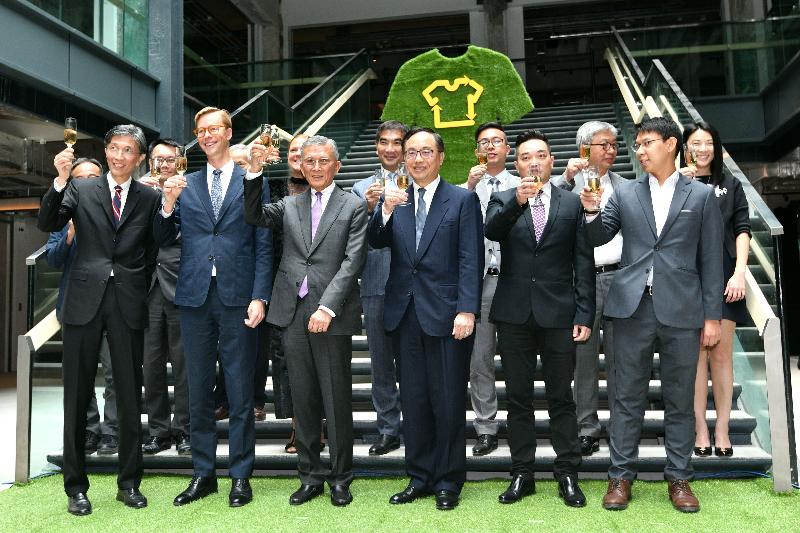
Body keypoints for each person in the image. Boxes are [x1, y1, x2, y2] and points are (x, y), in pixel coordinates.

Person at [579, 116, 723, 513]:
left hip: (682, 309)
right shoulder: (625, 193)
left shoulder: (701, 196)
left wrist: (713, 317)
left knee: (680, 399)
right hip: (629, 308)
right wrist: (590, 212)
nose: (639, 151)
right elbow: (598, 236)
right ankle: (620, 476)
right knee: (625, 397)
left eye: (647, 143)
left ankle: (679, 477)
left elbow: (711, 260)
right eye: (637, 144)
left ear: (672, 144)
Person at [38, 124, 169, 516]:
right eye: (113, 148)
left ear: (140, 158)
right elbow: (48, 223)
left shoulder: (148, 196)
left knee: (129, 396)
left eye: (127, 150)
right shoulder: (81, 188)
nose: (118, 155)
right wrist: (60, 180)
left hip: (127, 302)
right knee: (76, 396)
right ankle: (75, 487)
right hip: (81, 300)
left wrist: (167, 207)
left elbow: (158, 242)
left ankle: (129, 483)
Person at [243, 135, 368, 507]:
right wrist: (253, 172)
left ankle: (341, 478)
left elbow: (352, 261)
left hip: (332, 314)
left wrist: (327, 307)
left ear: (337, 166)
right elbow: (254, 216)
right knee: (303, 400)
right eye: (309, 161)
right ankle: (310, 476)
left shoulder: (354, 206)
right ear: (301, 165)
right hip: (292, 313)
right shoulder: (290, 203)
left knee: (336, 399)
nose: (315, 167)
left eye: (323, 161)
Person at [160, 107, 273, 508]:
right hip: (192, 298)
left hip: (238, 298)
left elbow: (263, 242)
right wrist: (167, 204)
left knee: (241, 391)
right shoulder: (183, 184)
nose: (207, 135)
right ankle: (203, 474)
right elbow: (161, 236)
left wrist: (260, 296)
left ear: (228, 132)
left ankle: (241, 476)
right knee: (197, 393)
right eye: (201, 130)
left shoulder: (252, 179)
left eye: (214, 129)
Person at [368, 127, 483, 511]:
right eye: (411, 152)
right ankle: (419, 476)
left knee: (448, 400)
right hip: (404, 314)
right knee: (414, 401)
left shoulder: (462, 200)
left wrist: (467, 309)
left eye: (425, 152)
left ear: (441, 157)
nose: (417, 159)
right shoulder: (395, 198)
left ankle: (449, 480)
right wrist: (384, 208)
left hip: (449, 316)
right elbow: (376, 241)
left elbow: (471, 258)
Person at [485, 129, 594, 507]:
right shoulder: (501, 199)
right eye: (527, 157)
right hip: (514, 315)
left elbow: (582, 261)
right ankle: (522, 474)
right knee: (518, 399)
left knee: (562, 399)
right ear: (517, 165)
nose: (534, 161)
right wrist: (517, 201)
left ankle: (567, 474)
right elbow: (492, 231)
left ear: (551, 160)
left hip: (560, 313)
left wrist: (585, 312)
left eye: (541, 155)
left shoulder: (571, 203)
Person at [224, 137, 314, 454]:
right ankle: (297, 428)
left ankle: (322, 424)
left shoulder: (332, 191)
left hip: (319, 286)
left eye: (308, 153)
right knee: (284, 359)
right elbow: (255, 220)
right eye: (294, 151)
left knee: (320, 360)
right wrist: (253, 164)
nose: (301, 157)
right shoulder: (272, 188)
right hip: (279, 284)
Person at [552, 120, 624, 457]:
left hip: (620, 278)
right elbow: (543, 202)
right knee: (583, 360)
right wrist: (567, 178)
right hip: (580, 282)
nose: (611, 150)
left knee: (621, 358)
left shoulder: (626, 186)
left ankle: (623, 427)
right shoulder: (567, 186)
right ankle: (587, 427)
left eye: (614, 145)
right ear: (585, 148)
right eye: (604, 145)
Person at [679, 122, 750, 458]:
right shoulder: (677, 182)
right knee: (695, 358)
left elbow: (742, 229)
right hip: (687, 278)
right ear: (684, 147)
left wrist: (739, 273)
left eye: (708, 143)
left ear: (716, 147)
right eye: (695, 143)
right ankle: (700, 427)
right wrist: (679, 184)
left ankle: (722, 427)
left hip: (725, 275)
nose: (702, 149)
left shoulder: (730, 184)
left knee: (721, 356)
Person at [45, 156, 119, 457]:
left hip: (113, 305)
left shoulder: (114, 209)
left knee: (115, 372)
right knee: (80, 376)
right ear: (73, 183)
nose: (88, 181)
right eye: (81, 177)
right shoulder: (63, 215)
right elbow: (52, 258)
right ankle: (87, 431)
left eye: (94, 176)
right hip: (76, 307)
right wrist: (71, 234)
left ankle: (112, 432)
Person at [461, 122, 518, 457]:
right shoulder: (466, 187)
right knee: (479, 359)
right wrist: (470, 184)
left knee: (516, 357)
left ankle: (519, 422)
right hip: (478, 283)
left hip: (514, 279)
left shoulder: (521, 183)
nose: (491, 147)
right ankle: (485, 427)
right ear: (476, 151)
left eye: (497, 141)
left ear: (508, 149)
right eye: (484, 142)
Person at [350, 120, 406, 456]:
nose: (389, 148)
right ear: (376, 146)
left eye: (396, 142)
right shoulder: (359, 188)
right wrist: (368, 209)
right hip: (374, 282)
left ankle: (418, 425)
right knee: (381, 363)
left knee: (414, 361)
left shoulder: (418, 180)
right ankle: (388, 428)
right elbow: (353, 236)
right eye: (383, 142)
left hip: (414, 284)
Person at [138, 139, 190, 456]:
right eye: (158, 159)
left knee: (185, 365)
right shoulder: (139, 193)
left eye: (169, 159)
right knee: (150, 365)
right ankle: (158, 431)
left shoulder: (192, 191)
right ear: (149, 163)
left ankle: (184, 430)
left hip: (182, 285)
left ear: (180, 162)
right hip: (145, 288)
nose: (163, 165)